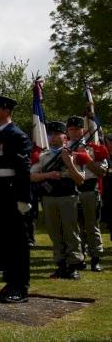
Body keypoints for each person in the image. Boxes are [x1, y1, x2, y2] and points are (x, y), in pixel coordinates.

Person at [0, 93, 33, 303]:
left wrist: (24, 198)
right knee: (2, 239)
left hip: (11, 191)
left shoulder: (17, 135)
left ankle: (20, 286)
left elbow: (23, 169)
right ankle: (9, 282)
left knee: (16, 242)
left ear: (6, 110)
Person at [31, 120, 86, 280]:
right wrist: (48, 175)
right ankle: (60, 264)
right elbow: (32, 175)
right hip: (49, 198)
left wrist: (68, 163)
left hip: (68, 197)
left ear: (64, 137)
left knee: (71, 231)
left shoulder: (73, 154)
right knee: (54, 232)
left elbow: (80, 179)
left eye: (57, 134)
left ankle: (73, 264)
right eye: (51, 134)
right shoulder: (43, 156)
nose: (53, 138)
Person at [66, 116, 108, 272]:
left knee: (92, 226)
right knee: (74, 227)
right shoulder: (63, 149)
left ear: (83, 130)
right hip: (70, 191)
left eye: (78, 129)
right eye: (71, 129)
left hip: (89, 190)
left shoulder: (94, 147)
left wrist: (87, 159)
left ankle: (95, 258)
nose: (75, 132)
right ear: (67, 131)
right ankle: (79, 257)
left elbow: (102, 171)